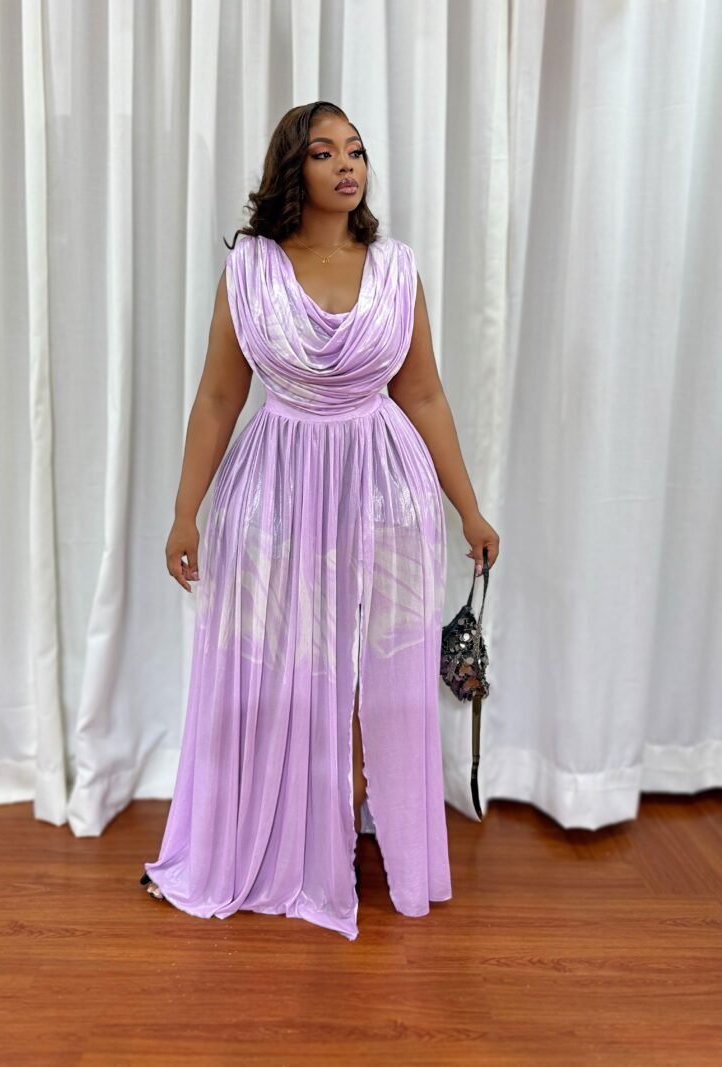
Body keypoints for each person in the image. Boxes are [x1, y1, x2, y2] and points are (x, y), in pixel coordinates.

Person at [140, 101, 500, 941]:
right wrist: (185, 512)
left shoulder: (396, 269)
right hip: (275, 493)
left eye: (357, 151)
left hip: (384, 492)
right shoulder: (251, 270)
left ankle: (351, 815)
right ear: (291, 168)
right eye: (326, 152)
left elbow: (423, 394)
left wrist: (469, 506)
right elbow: (219, 396)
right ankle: (283, 834)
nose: (348, 165)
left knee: (377, 669)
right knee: (280, 663)